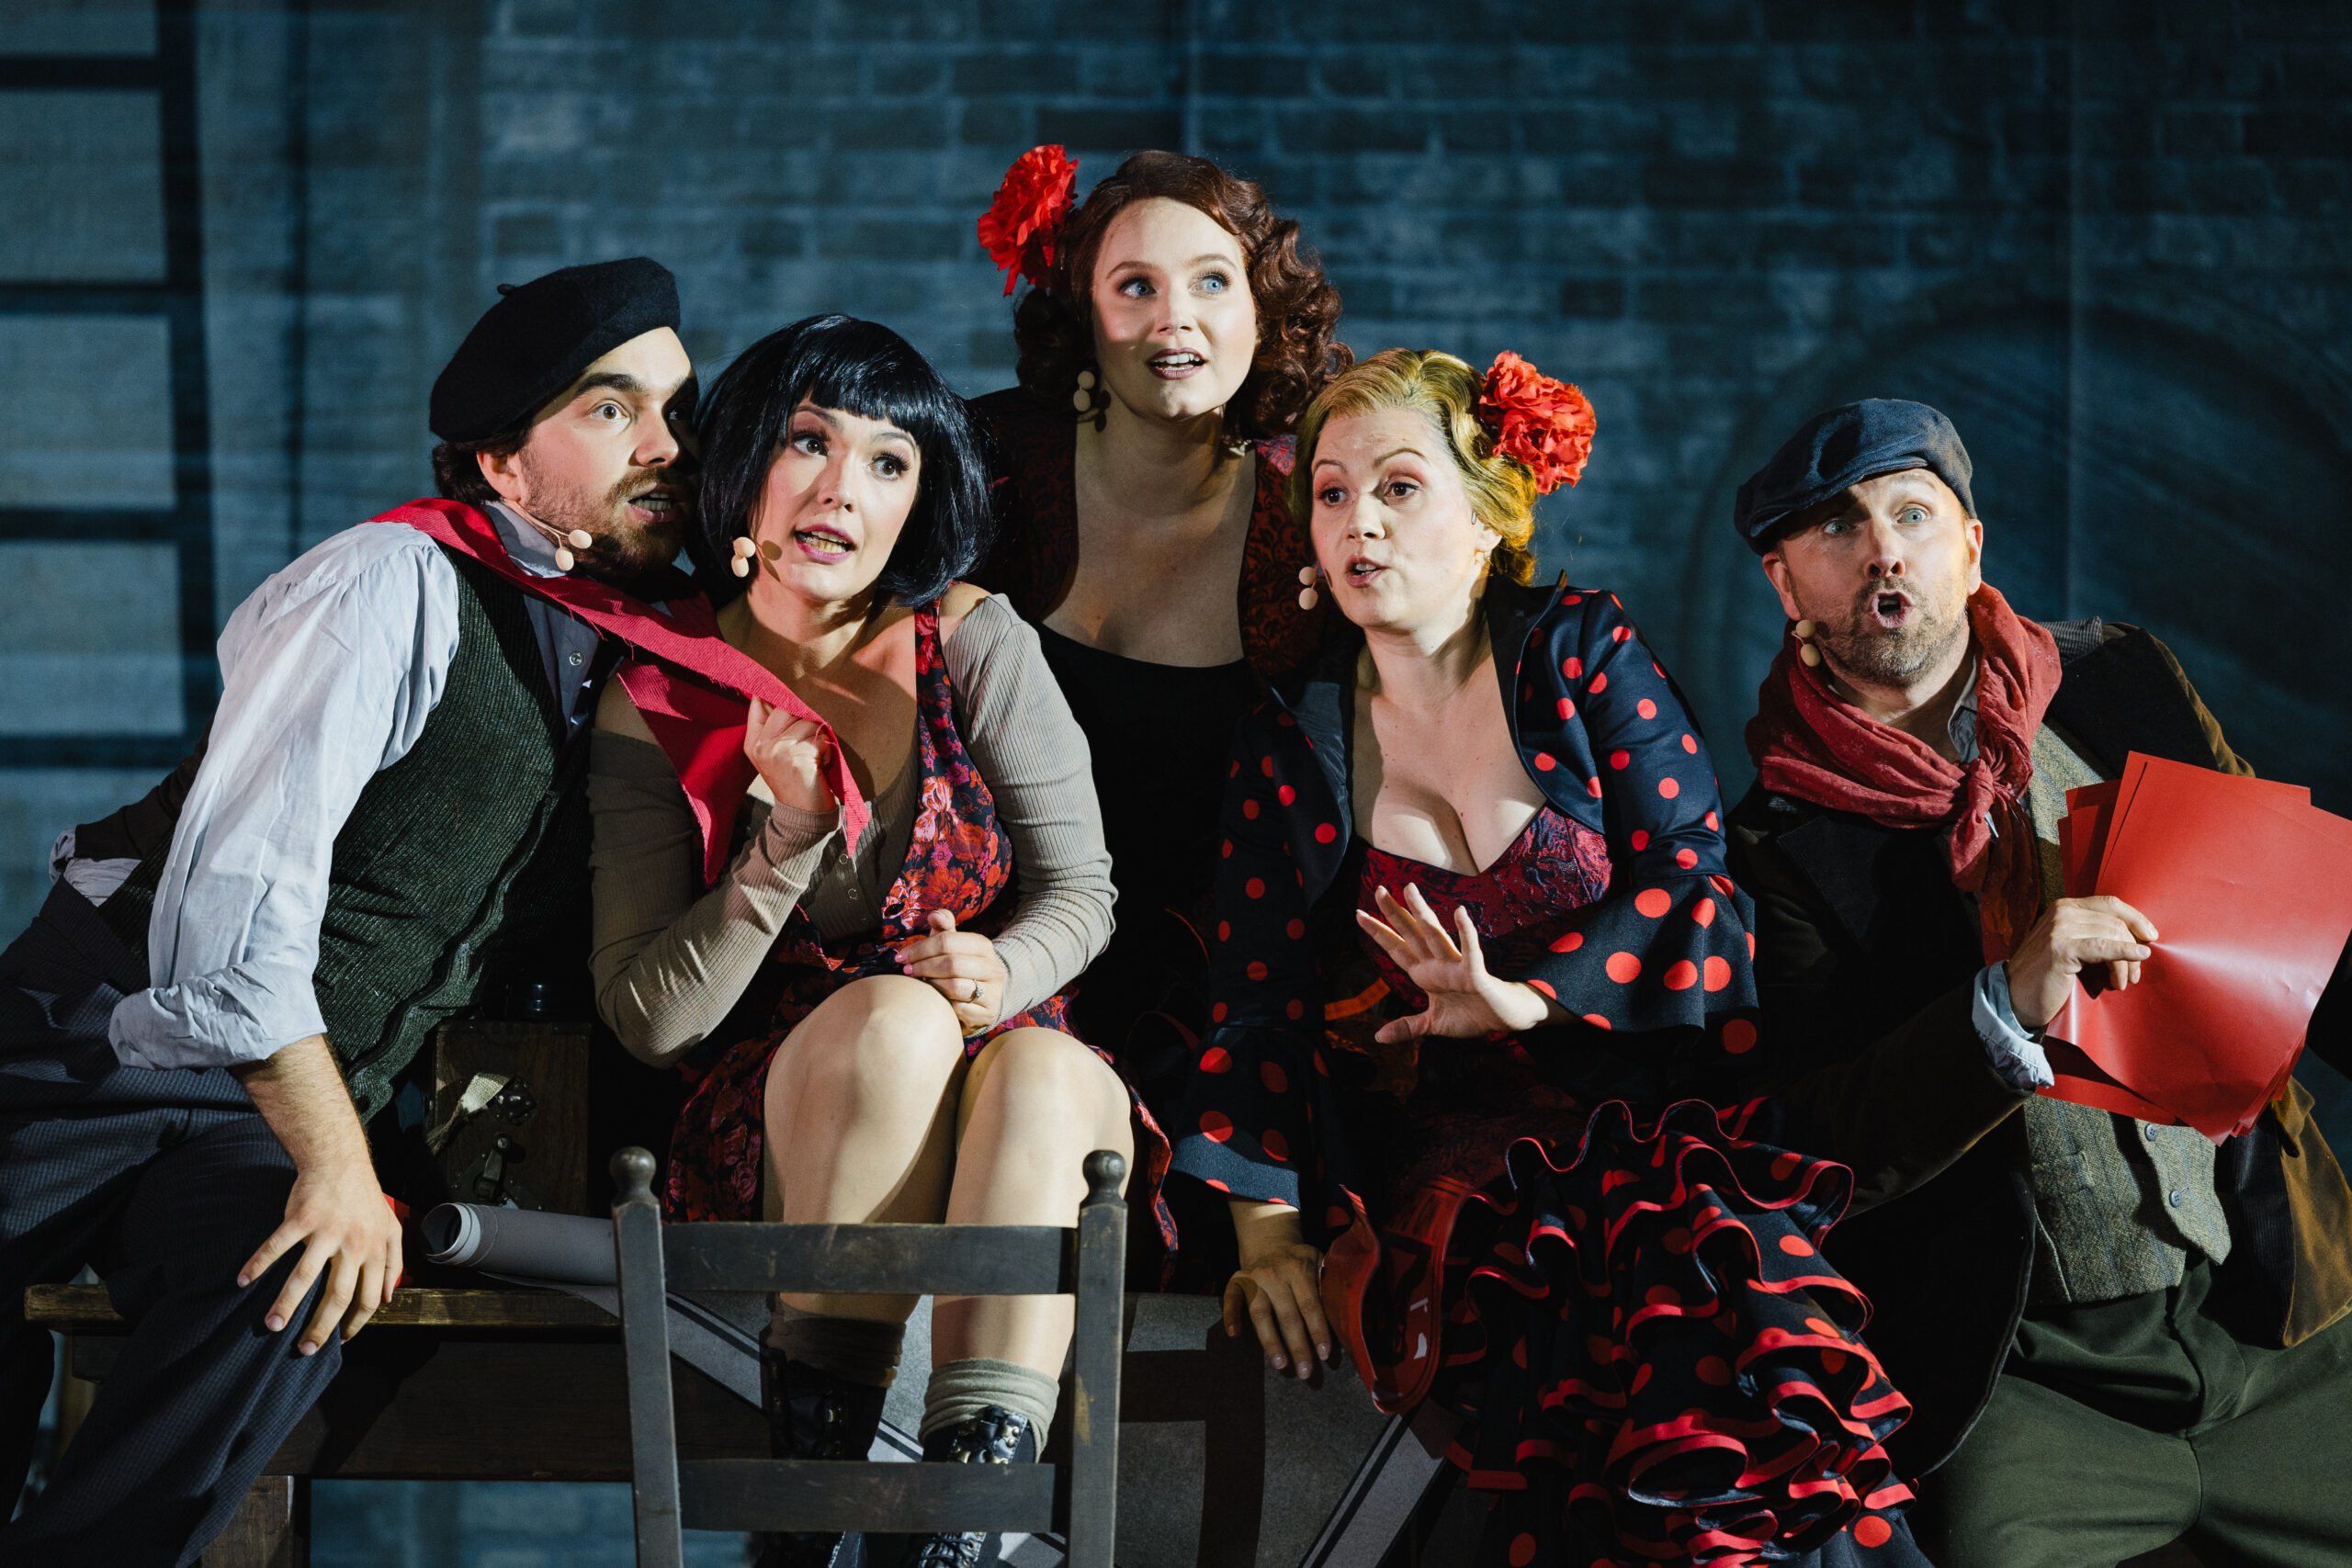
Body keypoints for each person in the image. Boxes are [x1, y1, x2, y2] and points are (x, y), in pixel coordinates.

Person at [1170, 350, 1924, 1567]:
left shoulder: (1578, 652)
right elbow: (1254, 1004)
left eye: (1398, 487)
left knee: (1703, 1289)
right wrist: (1266, 1237)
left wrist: (1530, 997)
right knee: (1569, 1317)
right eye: (1331, 492)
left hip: (1643, 1122)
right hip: (1451, 1177)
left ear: (1484, 522)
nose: (1359, 520)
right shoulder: (1288, 740)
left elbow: (1693, 874)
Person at [0, 256, 698, 1564]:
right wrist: (338, 1160)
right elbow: (235, 902)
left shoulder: (639, 641)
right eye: (613, 409)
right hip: (82, 1045)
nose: (668, 444)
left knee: (298, 1280)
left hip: (250, 1106)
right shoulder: (387, 580)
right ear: (501, 461)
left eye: (675, 407)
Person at [1724, 398, 2352, 1567]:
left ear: (1970, 547)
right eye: (1837, 528)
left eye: (1913, 514)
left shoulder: (2120, 682)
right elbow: (1811, 1149)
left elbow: (2302, 933)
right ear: (1786, 585)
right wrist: (1999, 1008)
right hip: (2025, 1384)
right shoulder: (1771, 847)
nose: (1882, 550)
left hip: (2266, 1317)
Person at [586, 314, 1152, 1568]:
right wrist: (782, 840)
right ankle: (813, 1518)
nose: (843, 488)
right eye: (809, 442)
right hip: (802, 1108)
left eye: (889, 462)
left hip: (1006, 1087)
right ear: (744, 464)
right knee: (896, 1020)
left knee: (1054, 1067)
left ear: (916, 501)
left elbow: (1082, 890)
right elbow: (650, 1018)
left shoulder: (973, 639)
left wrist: (1004, 968)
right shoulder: (661, 692)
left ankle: (959, 1534)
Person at [967, 147, 1350, 1161]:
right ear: (1084, 316)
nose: (1176, 319)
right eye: (1135, 286)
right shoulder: (988, 465)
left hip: (1227, 1004)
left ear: (1261, 312)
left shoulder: (1316, 504)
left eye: (1211, 283)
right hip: (995, 967)